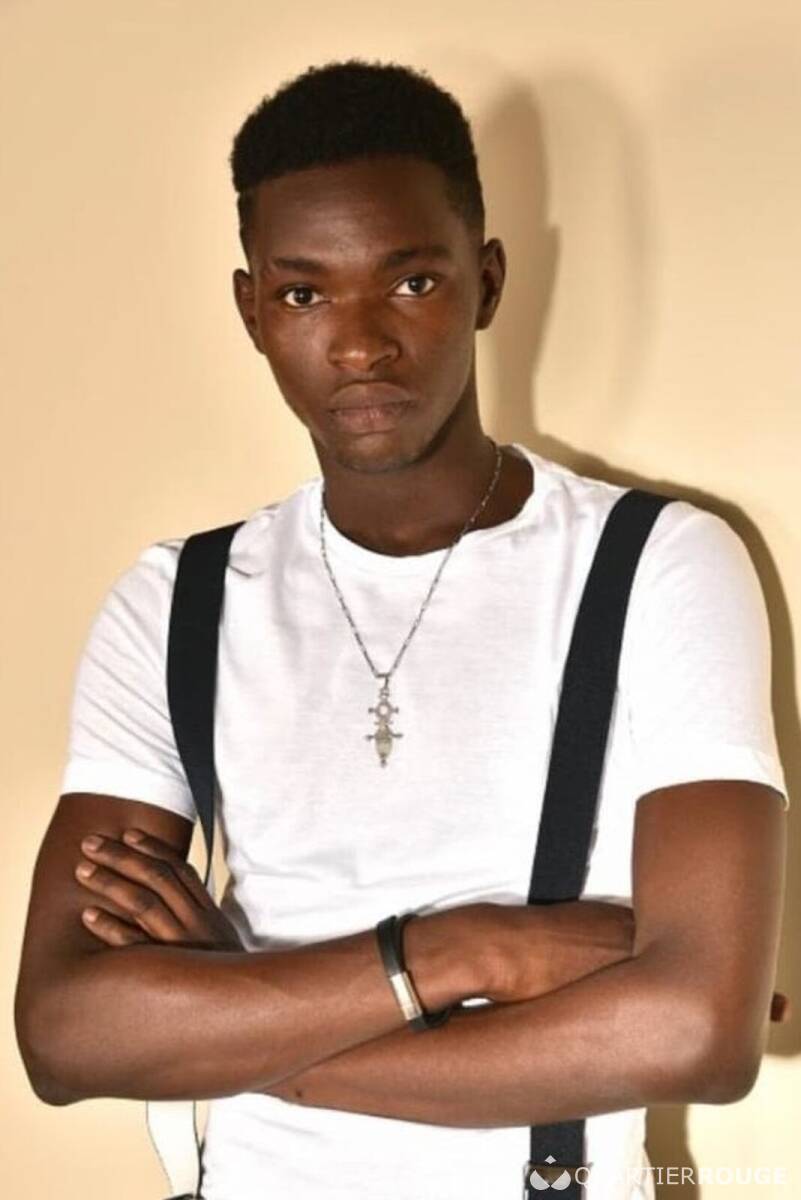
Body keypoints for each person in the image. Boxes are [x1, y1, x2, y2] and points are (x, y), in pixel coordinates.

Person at [15, 58, 790, 1200]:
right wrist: (466, 950)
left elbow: (699, 1034)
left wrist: (236, 1024)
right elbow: (64, 1035)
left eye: (411, 282)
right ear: (251, 311)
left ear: (487, 283)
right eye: (304, 295)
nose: (361, 344)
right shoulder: (177, 598)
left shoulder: (657, 565)